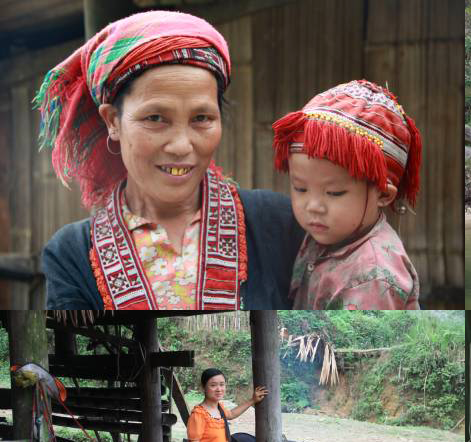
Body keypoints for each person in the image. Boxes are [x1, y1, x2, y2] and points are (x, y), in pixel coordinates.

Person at [38, 10, 305, 310]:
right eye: (155, 118)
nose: (181, 145)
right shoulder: (70, 255)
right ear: (113, 120)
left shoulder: (280, 223)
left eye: (201, 118)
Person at [271, 80, 422, 309]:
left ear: (383, 194)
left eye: (333, 192)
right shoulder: (330, 233)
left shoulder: (373, 276)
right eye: (300, 188)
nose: (313, 206)